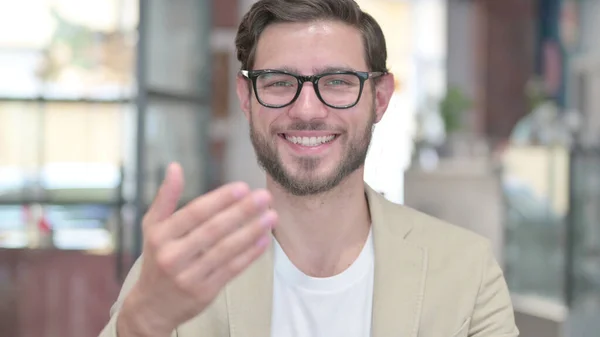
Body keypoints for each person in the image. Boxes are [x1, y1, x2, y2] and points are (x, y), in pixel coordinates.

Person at [100, 0, 519, 336]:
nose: (306, 110)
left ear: (381, 97)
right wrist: (141, 326)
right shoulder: (178, 266)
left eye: (337, 81)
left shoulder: (467, 272)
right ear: (247, 97)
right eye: (279, 82)